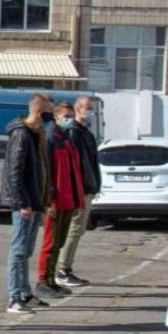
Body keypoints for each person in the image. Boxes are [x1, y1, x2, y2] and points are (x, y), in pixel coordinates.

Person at [4, 93, 53, 313]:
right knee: (18, 250)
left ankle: (24, 292)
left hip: (35, 201)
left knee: (25, 250)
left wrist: (44, 199)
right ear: (39, 112)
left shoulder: (35, 134)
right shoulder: (22, 134)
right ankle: (14, 296)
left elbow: (41, 169)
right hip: (25, 203)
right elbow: (14, 170)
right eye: (48, 114)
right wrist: (22, 201)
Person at [35, 101, 86, 301]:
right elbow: (48, 171)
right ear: (55, 117)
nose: (69, 119)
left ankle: (51, 280)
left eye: (70, 115)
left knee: (59, 242)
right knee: (50, 242)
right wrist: (50, 199)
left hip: (68, 198)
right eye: (65, 115)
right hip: (57, 199)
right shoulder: (50, 138)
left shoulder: (65, 137)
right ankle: (42, 281)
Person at [57, 95, 101, 286]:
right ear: (78, 109)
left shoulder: (86, 133)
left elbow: (91, 162)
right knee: (74, 229)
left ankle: (65, 267)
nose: (90, 112)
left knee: (79, 229)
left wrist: (95, 185)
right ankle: (62, 269)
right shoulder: (73, 132)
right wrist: (78, 188)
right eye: (87, 108)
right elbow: (74, 164)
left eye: (91, 108)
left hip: (87, 187)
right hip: (79, 189)